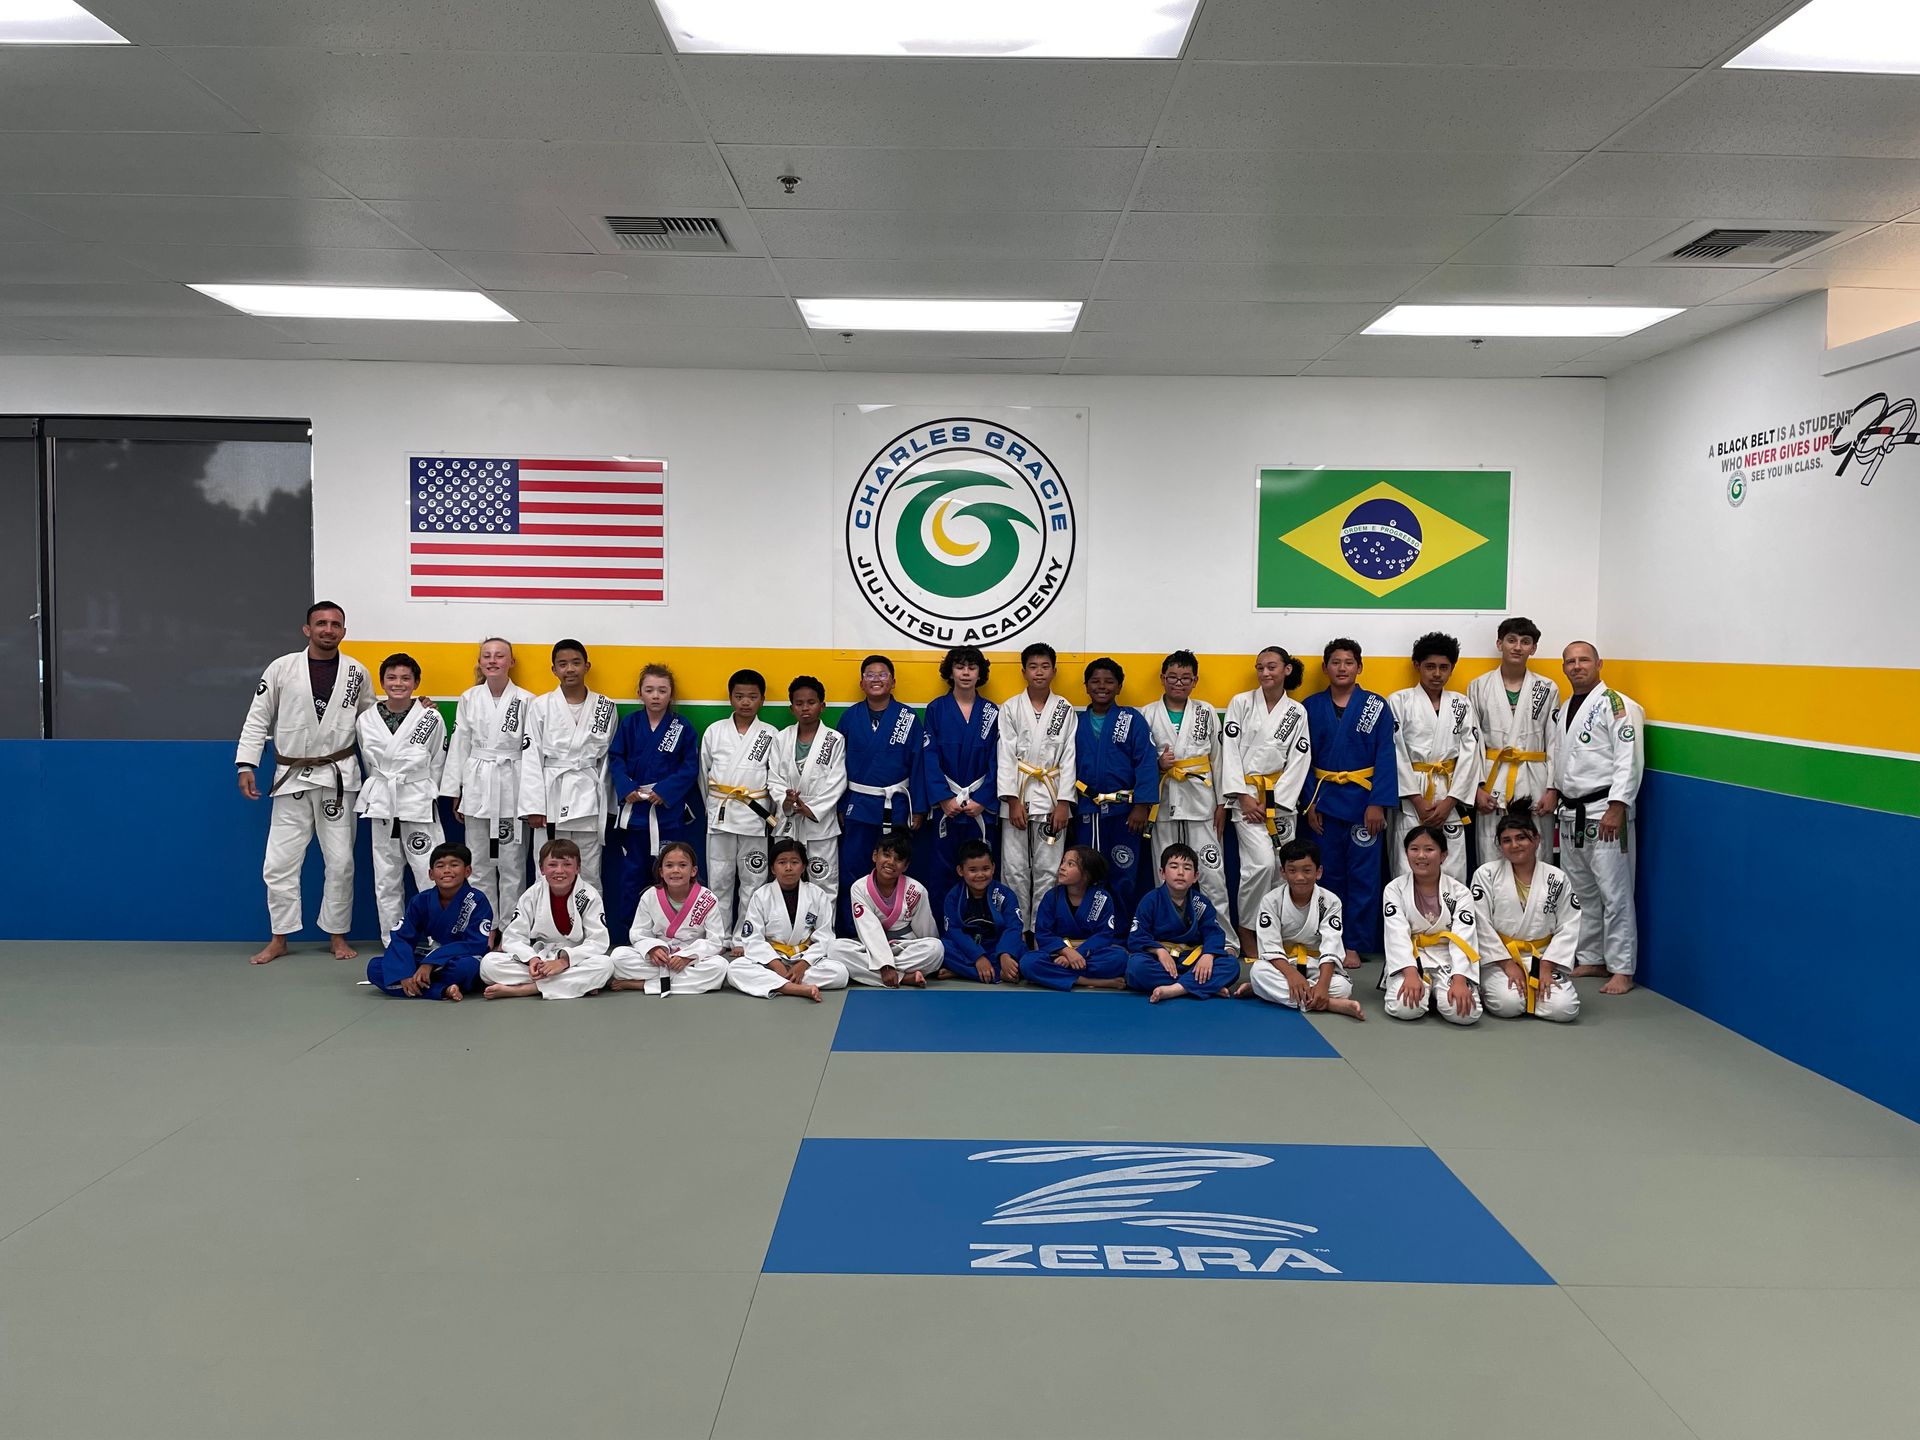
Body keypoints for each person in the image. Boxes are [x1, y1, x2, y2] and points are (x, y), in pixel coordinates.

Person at [235, 601, 376, 965]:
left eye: (335, 624)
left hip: (339, 776)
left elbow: (371, 722)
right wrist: (246, 763)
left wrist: (410, 710)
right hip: (291, 775)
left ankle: (337, 934)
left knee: (342, 862)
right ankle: (279, 936)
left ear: (343, 631)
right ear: (307, 629)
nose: (328, 630)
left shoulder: (357, 672)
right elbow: (257, 717)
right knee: (280, 861)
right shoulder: (282, 668)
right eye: (321, 623)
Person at [1553, 641, 1646, 996]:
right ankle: (1591, 957)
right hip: (1572, 812)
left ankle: (1622, 968)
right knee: (1582, 892)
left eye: (1583, 660)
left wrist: (1618, 805)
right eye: (1570, 662)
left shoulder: (1618, 706)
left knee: (1615, 892)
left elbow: (1629, 759)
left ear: (1599, 663)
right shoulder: (1565, 709)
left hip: (1605, 810)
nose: (1577, 667)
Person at [1302, 638, 1397, 969]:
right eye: (1335, 662)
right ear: (1326, 667)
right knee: (1327, 873)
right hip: (1324, 799)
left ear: (1359, 667)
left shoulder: (1376, 706)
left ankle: (1354, 943)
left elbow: (1386, 754)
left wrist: (1378, 803)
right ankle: (1330, 939)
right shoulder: (1310, 707)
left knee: (1364, 875)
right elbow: (1302, 758)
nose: (1342, 668)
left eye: (1348, 662)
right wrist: (1309, 803)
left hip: (1363, 800)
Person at [1140, 650, 1235, 955]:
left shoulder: (1206, 712)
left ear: (1194, 681)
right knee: (1166, 875)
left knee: (1212, 874)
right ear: (1162, 679)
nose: (1178, 683)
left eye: (1185, 678)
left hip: (1201, 804)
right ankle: (1163, 939)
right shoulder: (1147, 714)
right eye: (1172, 677)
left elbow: (1220, 762)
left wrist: (1222, 805)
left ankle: (1225, 941)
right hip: (1163, 805)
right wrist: (1157, 764)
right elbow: (1139, 761)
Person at [1221, 646, 1314, 958]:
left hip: (1281, 801)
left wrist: (1278, 801)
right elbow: (1230, 752)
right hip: (1246, 799)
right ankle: (1247, 931)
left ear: (1287, 669)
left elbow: (1301, 759)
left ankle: (1273, 934)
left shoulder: (1297, 712)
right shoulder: (1241, 703)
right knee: (1259, 866)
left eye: (1272, 667)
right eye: (1260, 667)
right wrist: (1244, 797)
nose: (1265, 673)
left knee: (1281, 868)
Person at [354, 652, 448, 945]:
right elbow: (369, 764)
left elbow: (437, 762)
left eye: (405, 678)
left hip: (418, 800)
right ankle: (393, 939)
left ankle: (438, 939)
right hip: (383, 800)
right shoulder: (366, 719)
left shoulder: (430, 717)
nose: (398, 683)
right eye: (391, 678)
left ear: (416, 683)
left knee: (430, 873)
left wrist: (426, 790)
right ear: (382, 681)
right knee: (386, 876)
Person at [607, 662, 701, 948]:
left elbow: (689, 766)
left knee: (672, 877)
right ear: (640, 693)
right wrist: (627, 789)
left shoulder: (681, 726)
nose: (656, 696)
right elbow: (616, 759)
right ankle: (627, 939)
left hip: (666, 813)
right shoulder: (630, 724)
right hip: (635, 812)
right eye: (650, 690)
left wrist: (665, 791)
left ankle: (674, 937)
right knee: (631, 878)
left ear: (671, 694)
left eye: (662, 690)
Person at [441, 637, 534, 917]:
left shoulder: (527, 700)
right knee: (478, 862)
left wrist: (531, 799)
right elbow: (460, 744)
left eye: (500, 656)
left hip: (511, 783)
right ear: (480, 662)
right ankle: (485, 926)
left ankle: (510, 928)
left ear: (511, 662)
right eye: (487, 656)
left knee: (512, 864)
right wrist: (456, 789)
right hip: (478, 782)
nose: (493, 661)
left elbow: (531, 751)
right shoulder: (469, 697)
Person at [834, 654, 928, 931]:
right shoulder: (850, 717)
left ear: (893, 682)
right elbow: (837, 767)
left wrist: (919, 808)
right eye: (870, 675)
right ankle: (853, 931)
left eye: (882, 674)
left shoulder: (908, 718)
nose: (876, 679)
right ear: (862, 683)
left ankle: (896, 927)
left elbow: (919, 764)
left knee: (894, 867)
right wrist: (840, 805)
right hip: (859, 804)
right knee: (853, 867)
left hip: (897, 805)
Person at [517, 639, 616, 895]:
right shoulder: (540, 705)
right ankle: (545, 929)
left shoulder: (605, 706)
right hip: (551, 797)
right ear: (554, 670)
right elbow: (531, 758)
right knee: (548, 869)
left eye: (575, 663)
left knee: (590, 870)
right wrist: (533, 807)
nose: (570, 669)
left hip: (588, 797)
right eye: (563, 664)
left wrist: (606, 805)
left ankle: (591, 929)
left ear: (587, 666)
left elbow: (607, 760)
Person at [1471, 801, 1580, 1022]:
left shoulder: (1555, 877)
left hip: (1541, 956)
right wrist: (1507, 964)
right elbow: (1480, 924)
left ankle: (1533, 994)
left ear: (1536, 839)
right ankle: (1499, 988)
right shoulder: (1486, 874)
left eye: (1521, 838)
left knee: (1565, 1009)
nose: (1515, 845)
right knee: (1508, 1005)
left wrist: (1547, 966)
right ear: (1499, 846)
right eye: (1507, 841)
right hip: (1500, 958)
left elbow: (1569, 925)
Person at [1468, 617, 1563, 868]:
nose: (1517, 647)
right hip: (1492, 778)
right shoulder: (1479, 686)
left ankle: (1538, 905)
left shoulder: (1547, 688)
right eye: (1511, 640)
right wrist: (1476, 788)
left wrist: (1552, 789)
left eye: (1525, 642)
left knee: (1536, 849)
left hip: (1535, 778)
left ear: (1533, 648)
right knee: (1491, 849)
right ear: (1500, 644)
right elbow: (1472, 743)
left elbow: (1554, 741)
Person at [1388, 632, 1482, 884]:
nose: (1437, 674)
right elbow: (1394, 750)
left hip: (1449, 793)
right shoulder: (1399, 701)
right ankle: (1408, 922)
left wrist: (1451, 801)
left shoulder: (1461, 704)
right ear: (1417, 666)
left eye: (1443, 667)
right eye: (1430, 666)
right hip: (1411, 796)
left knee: (1453, 867)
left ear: (1452, 669)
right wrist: (1417, 800)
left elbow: (1471, 753)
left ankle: (1452, 922)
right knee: (1407, 865)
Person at [1237, 838, 1365, 1020]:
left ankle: (1267, 991)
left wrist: (1322, 984)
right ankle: (1329, 1003)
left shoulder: (1330, 901)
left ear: (1318, 872)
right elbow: (1269, 945)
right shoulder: (1271, 901)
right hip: (1284, 964)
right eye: (1292, 870)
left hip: (1316, 964)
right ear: (1283, 872)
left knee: (1342, 987)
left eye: (1307, 870)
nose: (1300, 877)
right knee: (1258, 971)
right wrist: (1291, 975)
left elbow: (1331, 945)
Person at [1071, 657, 1157, 926]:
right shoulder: (1076, 722)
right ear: (1086, 686)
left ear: (1119, 687)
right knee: (1087, 872)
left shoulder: (1131, 719)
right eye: (1095, 681)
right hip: (1088, 809)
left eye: (1109, 682)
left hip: (1125, 811)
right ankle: (1091, 928)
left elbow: (1145, 761)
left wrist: (1142, 805)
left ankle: (1120, 931)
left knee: (1124, 872)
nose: (1102, 687)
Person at [997, 641, 1077, 930]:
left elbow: (1069, 756)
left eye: (1045, 667)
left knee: (1049, 869)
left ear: (1054, 671)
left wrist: (1065, 802)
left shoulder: (1065, 709)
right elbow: (1004, 755)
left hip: (1053, 796)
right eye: (1033, 667)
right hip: (1017, 794)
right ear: (1023, 671)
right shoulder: (1010, 708)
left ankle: (1042, 929)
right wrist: (1012, 800)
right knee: (1015, 868)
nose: (1039, 672)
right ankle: (1016, 930)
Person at [917, 646, 999, 918]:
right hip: (947, 805)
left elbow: (1000, 760)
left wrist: (983, 799)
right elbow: (929, 756)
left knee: (980, 870)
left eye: (972, 667)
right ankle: (944, 932)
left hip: (979, 806)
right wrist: (943, 798)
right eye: (960, 666)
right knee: (942, 869)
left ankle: (981, 925)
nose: (965, 672)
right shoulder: (937, 709)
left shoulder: (992, 712)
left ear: (980, 673)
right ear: (950, 672)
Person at [699, 668, 780, 939]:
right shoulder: (714, 731)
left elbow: (776, 776)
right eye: (739, 696)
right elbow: (703, 775)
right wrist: (713, 807)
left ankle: (746, 936)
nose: (745, 702)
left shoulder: (770, 733)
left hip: (755, 817)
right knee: (719, 879)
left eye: (752, 696)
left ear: (762, 700)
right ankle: (718, 936)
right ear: (730, 698)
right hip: (721, 814)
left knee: (754, 880)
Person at [481, 837, 613, 1000]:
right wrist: (532, 959)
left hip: (575, 958)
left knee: (604, 966)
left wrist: (563, 962)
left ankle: (526, 989)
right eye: (552, 865)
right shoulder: (532, 895)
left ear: (578, 868)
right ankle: (573, 985)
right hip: (542, 958)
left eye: (567, 864)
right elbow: (513, 937)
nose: (559, 871)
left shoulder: (588, 895)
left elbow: (598, 941)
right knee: (489, 964)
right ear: (541, 869)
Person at [365, 842, 492, 1002]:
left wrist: (431, 963)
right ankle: (442, 990)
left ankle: (417, 985)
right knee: (375, 967)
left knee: (466, 968)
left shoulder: (477, 900)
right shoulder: (421, 901)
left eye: (454, 865)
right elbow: (403, 938)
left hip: (460, 958)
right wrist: (404, 972)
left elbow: (476, 944)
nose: (447, 870)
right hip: (432, 957)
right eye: (440, 866)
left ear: (467, 871)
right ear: (431, 874)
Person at [1380, 825, 1482, 1025]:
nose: (1421, 856)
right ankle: (1428, 991)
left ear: (1443, 855)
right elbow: (1396, 934)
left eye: (1429, 849)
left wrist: (1460, 979)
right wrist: (1409, 973)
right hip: (1413, 956)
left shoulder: (1460, 892)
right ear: (1406, 853)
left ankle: (1439, 990)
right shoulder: (1395, 889)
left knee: (1465, 1014)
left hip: (1448, 958)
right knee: (1405, 1008)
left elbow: (1463, 937)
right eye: (1414, 849)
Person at [728, 837, 847, 1001]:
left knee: (840, 973)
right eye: (782, 862)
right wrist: (776, 965)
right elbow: (752, 939)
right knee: (735, 969)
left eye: (795, 862)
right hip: (771, 960)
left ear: (804, 867)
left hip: (804, 957)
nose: (789, 868)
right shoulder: (761, 896)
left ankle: (782, 984)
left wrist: (803, 965)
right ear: (773, 869)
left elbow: (825, 936)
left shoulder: (817, 894)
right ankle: (796, 988)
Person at [609, 840, 729, 995]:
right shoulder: (650, 896)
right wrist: (653, 949)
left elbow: (715, 940)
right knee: (618, 957)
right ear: (661, 871)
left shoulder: (707, 898)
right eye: (669, 865)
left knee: (719, 967)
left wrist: (687, 957)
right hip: (660, 958)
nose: (675, 870)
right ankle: (675, 982)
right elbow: (638, 933)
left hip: (690, 959)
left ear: (693, 871)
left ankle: (645, 984)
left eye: (682, 865)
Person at [771, 675, 848, 915]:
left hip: (819, 822)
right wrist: (786, 800)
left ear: (822, 706)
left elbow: (838, 780)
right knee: (785, 878)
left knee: (823, 880)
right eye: (799, 703)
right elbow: (773, 777)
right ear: (791, 707)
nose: (805, 708)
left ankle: (824, 936)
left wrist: (812, 808)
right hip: (789, 820)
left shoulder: (834, 740)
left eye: (811, 702)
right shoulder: (781, 738)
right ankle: (783, 931)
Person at [830, 831, 944, 988]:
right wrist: (885, 965)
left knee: (936, 948)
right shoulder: (859, 888)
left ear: (906, 866)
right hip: (871, 946)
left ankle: (882, 975)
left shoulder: (916, 890)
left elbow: (926, 930)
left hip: (904, 946)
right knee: (835, 949)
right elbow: (869, 928)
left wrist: (930, 954)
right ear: (875, 856)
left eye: (898, 859)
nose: (891, 862)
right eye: (886, 855)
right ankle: (903, 977)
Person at [1125, 842, 1233, 1002]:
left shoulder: (1201, 903)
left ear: (1196, 876)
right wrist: (1159, 951)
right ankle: (1202, 985)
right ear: (1162, 872)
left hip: (1191, 959)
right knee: (1136, 968)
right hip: (1160, 961)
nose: (1181, 872)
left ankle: (1175, 989)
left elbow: (1213, 933)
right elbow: (1137, 937)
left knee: (1231, 965)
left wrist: (1208, 955)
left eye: (1187, 868)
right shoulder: (1150, 900)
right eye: (1174, 867)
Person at [1022, 846, 1127, 991]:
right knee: (1028, 963)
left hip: (1088, 955)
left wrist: (1077, 954)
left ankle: (1057, 977)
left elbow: (1104, 936)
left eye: (1070, 864)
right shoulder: (1051, 897)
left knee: (1120, 957)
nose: (1062, 867)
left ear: (1086, 875)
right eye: (1063, 862)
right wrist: (1066, 952)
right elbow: (1043, 934)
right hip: (1057, 954)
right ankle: (1088, 981)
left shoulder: (1102, 898)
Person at [941, 839, 1026, 983]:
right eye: (973, 870)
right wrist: (978, 957)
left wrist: (1005, 953)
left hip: (997, 947)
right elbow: (954, 931)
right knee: (942, 948)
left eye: (985, 869)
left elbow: (1014, 927)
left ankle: (963, 971)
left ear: (993, 868)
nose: (980, 875)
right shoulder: (953, 897)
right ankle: (998, 973)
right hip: (968, 948)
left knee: (1026, 958)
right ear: (960, 871)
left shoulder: (1005, 895)